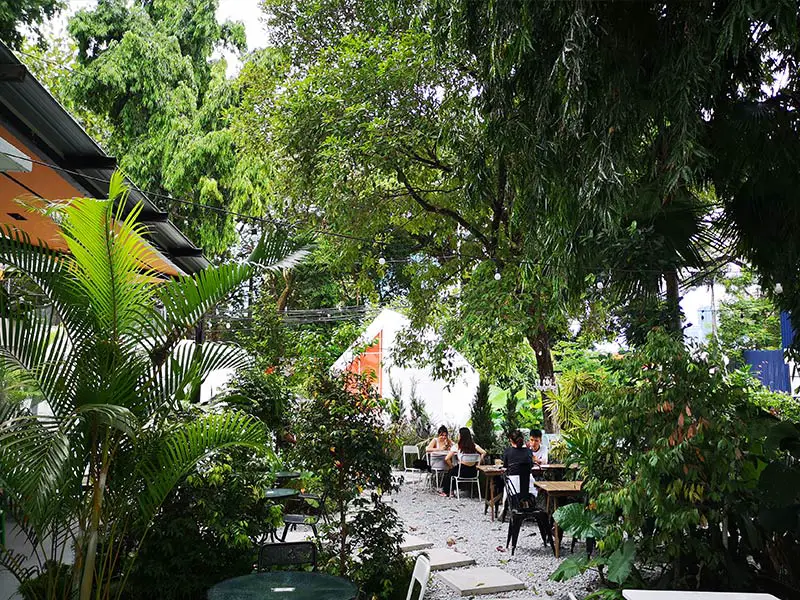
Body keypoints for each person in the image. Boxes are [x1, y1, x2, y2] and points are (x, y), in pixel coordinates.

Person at [440, 427, 486, 497]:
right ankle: (451, 490)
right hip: (473, 472)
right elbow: (484, 452)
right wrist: (478, 464)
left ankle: (448, 492)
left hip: (461, 471)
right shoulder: (474, 445)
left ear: (461, 436)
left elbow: (446, 459)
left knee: (450, 473)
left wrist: (451, 466)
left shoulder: (457, 446)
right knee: (453, 471)